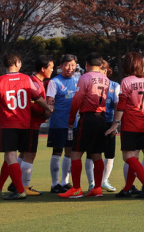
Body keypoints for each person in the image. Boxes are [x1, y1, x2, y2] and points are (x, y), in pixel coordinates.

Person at [0, 53, 51, 200]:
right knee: (10, 158)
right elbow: (37, 98)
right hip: (25, 124)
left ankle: (19, 189)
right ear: (17, 63)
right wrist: (48, 108)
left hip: (9, 124)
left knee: (10, 156)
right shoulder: (26, 79)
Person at [59, 53, 111, 199]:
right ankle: (98, 188)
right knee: (96, 154)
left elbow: (77, 99)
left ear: (86, 64)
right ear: (101, 65)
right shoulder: (106, 79)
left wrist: (71, 117)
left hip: (88, 118)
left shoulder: (85, 77)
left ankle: (76, 188)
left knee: (76, 153)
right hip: (102, 118)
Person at [108, 51, 144, 199]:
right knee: (134, 157)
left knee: (127, 157)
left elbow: (122, 105)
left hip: (130, 122)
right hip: (143, 121)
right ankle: (128, 188)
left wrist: (115, 123)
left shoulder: (126, 81)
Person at [15, 54, 55, 196]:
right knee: (30, 155)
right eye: (50, 67)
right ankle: (24, 187)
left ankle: (16, 183)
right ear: (43, 68)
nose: (52, 70)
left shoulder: (35, 81)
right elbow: (31, 105)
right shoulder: (34, 82)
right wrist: (45, 111)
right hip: (31, 123)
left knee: (24, 153)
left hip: (29, 123)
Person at [46, 54, 79, 193]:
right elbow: (50, 101)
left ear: (76, 66)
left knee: (70, 152)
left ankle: (65, 182)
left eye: (72, 65)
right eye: (66, 65)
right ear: (60, 66)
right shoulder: (55, 82)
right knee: (57, 152)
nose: (69, 68)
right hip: (58, 123)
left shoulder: (78, 81)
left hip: (73, 124)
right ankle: (54, 184)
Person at [85, 63, 119, 193]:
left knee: (110, 153)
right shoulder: (90, 83)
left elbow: (117, 106)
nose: (101, 71)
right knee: (91, 154)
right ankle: (92, 183)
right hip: (95, 122)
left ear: (107, 70)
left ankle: (104, 181)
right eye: (100, 68)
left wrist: (116, 123)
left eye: (104, 68)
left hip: (109, 122)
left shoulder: (115, 85)